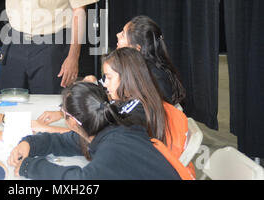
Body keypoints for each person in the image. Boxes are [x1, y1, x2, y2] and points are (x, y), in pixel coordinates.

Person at [8, 82, 185, 180]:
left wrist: (31, 167)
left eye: (63, 111)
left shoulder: (112, 149)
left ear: (73, 122)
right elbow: (66, 141)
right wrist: (30, 143)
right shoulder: (113, 127)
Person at [37, 14, 186, 125]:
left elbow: (117, 120)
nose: (117, 35)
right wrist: (91, 86)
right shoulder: (126, 68)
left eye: (122, 34)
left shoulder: (152, 81)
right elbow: (100, 93)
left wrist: (58, 127)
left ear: (135, 48)